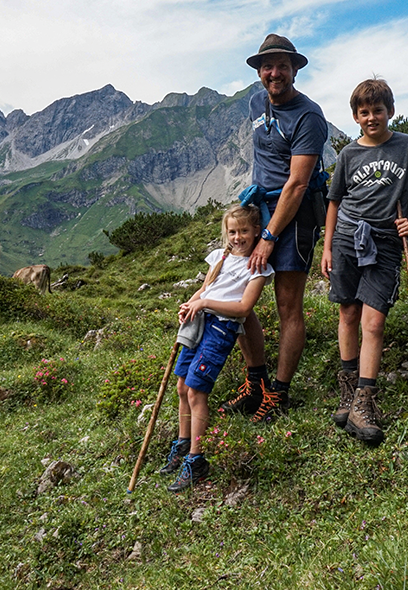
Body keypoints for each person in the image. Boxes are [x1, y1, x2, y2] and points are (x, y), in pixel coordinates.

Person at [220, 34, 329, 423]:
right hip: (256, 211)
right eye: (268, 66)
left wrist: (269, 237)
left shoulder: (308, 116)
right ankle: (255, 383)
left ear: (295, 69)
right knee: (237, 299)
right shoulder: (255, 102)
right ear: (259, 71)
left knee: (288, 307)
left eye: (283, 65)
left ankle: (278, 395)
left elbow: (298, 184)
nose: (274, 73)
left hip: (295, 218)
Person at [320, 78, 408, 445]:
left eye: (377, 110)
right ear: (355, 117)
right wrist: (327, 248)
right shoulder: (349, 154)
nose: (372, 117)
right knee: (348, 313)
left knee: (374, 320)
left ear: (390, 111)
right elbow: (334, 202)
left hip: (385, 242)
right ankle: (348, 392)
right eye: (364, 112)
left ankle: (364, 401)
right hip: (347, 239)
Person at [161, 204, 274, 491]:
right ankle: (183, 443)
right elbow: (205, 288)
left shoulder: (258, 268)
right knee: (182, 386)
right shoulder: (220, 257)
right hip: (198, 321)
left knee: (197, 390)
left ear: (257, 232)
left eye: (244, 231)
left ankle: (197, 460)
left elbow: (244, 308)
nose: (238, 237)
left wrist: (205, 303)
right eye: (232, 231)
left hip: (221, 327)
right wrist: (192, 302)